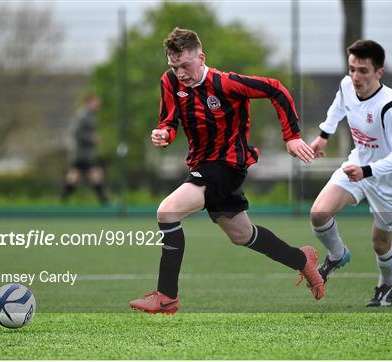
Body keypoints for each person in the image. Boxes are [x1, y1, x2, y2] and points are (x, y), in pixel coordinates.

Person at [130, 27, 325, 314]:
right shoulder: (170, 82)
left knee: (167, 212)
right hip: (203, 165)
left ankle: (166, 296)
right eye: (174, 66)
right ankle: (301, 259)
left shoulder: (226, 83)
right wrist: (163, 134)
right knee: (242, 235)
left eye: (185, 65)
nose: (180, 73)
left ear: (201, 57)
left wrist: (292, 136)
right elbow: (169, 122)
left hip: (227, 166)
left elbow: (276, 88)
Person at [309, 40, 392, 307]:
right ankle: (337, 254)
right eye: (352, 69)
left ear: (379, 72)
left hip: (389, 184)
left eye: (363, 71)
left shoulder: (389, 106)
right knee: (319, 214)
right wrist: (323, 135)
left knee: (380, 243)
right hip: (357, 166)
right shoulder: (347, 85)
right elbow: (338, 106)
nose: (355, 76)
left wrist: (367, 170)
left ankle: (388, 283)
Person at [61, 93, 108, 204]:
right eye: (96, 102)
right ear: (89, 102)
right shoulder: (82, 115)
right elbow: (76, 133)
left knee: (76, 176)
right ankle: (104, 202)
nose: (98, 104)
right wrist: (91, 139)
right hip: (81, 153)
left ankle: (63, 201)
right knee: (93, 174)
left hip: (86, 152)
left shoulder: (90, 115)